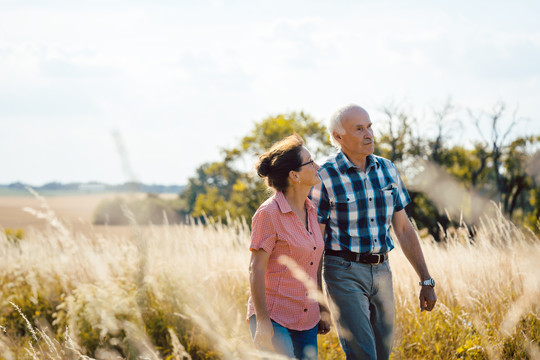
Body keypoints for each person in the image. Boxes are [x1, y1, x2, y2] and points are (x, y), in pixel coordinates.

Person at [310, 104, 437, 360]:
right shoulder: (323, 176)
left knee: (382, 353)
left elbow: (403, 228)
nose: (369, 133)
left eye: (369, 126)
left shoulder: (387, 169)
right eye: (359, 129)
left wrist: (426, 279)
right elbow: (316, 242)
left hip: (382, 272)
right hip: (343, 272)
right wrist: (318, 299)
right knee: (363, 355)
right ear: (338, 137)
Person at [247, 134, 332, 360]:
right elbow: (255, 269)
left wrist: (322, 307)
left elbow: (314, 263)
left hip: (307, 319)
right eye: (310, 162)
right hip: (274, 318)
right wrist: (263, 322)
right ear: (294, 175)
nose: (317, 166)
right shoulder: (268, 213)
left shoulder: (312, 210)